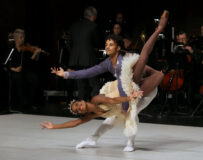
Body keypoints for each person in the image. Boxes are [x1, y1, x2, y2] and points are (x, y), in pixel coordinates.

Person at [42, 10, 169, 152]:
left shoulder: (124, 60)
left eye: (110, 44)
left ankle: (130, 143)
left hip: (138, 90)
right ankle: (92, 139)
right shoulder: (107, 64)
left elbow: (143, 56)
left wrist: (158, 30)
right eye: (106, 44)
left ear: (118, 47)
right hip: (129, 95)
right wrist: (65, 74)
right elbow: (87, 72)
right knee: (113, 119)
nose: (107, 47)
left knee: (131, 112)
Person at [67, 6, 101, 101]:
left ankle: (81, 110)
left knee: (81, 87)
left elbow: (68, 43)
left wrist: (74, 54)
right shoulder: (93, 26)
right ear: (93, 16)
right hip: (89, 59)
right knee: (94, 85)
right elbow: (98, 43)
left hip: (76, 61)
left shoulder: (74, 26)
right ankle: (94, 108)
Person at [7, 28, 42, 110]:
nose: (23, 39)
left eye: (23, 37)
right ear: (15, 38)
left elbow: (28, 62)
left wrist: (35, 54)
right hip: (12, 71)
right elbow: (5, 65)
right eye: (21, 37)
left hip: (23, 71)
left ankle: (31, 102)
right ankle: (23, 102)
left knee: (34, 78)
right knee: (19, 77)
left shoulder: (24, 49)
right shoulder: (11, 49)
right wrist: (14, 69)